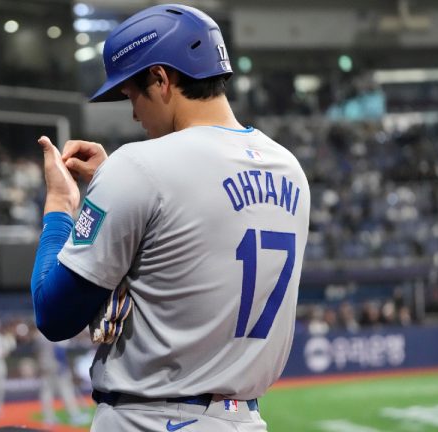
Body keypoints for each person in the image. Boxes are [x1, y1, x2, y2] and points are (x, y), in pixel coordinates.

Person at [30, 4, 310, 431]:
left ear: (161, 78)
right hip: (244, 418)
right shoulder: (289, 167)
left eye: (132, 94)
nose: (134, 113)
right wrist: (113, 185)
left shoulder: (139, 166)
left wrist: (60, 206)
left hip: (151, 417)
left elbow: (54, 314)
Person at [33, 331, 90, 426]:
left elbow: (36, 352)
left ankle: (48, 418)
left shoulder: (39, 335)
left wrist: (40, 365)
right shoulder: (57, 332)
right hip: (58, 366)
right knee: (66, 391)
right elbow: (59, 352)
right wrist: (65, 367)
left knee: (46, 393)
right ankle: (74, 415)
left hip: (44, 366)